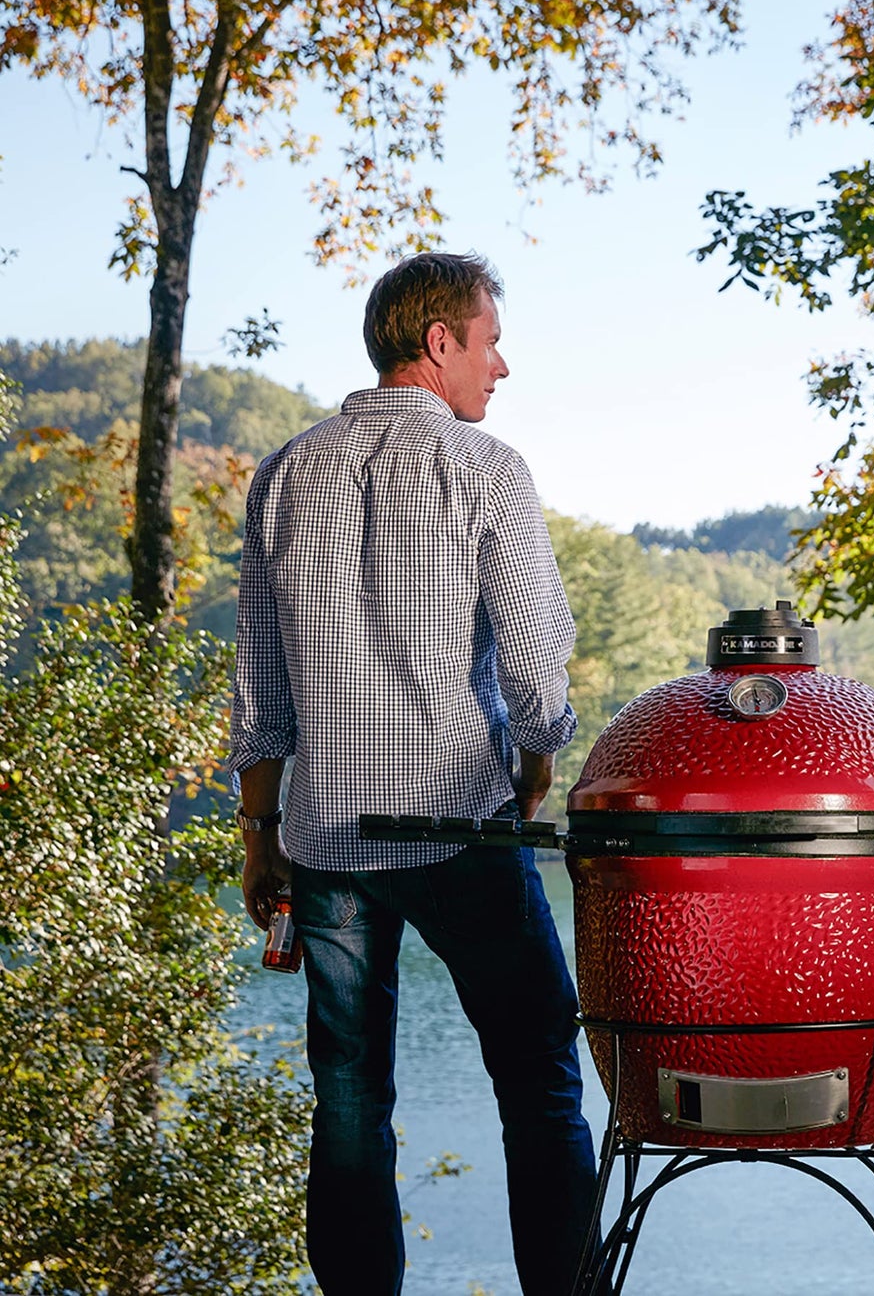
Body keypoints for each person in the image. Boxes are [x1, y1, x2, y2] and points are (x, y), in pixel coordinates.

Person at [229, 251, 596, 1296]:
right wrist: (534, 759)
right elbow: (532, 660)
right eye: (490, 340)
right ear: (439, 343)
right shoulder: (489, 470)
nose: (502, 365)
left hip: (330, 837)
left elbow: (260, 682)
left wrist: (261, 834)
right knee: (540, 1084)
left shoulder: (287, 470)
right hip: (461, 830)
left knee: (348, 1101)